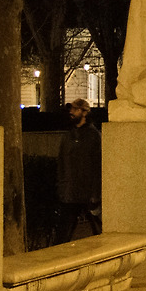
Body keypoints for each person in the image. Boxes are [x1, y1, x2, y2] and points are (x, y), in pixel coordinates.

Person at [56, 98, 102, 242]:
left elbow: (97, 164)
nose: (71, 112)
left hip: (87, 193)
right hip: (71, 192)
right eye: (72, 109)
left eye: (75, 109)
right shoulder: (68, 136)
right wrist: (62, 187)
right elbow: (62, 162)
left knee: (98, 230)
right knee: (63, 234)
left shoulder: (93, 136)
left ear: (84, 112)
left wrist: (95, 193)